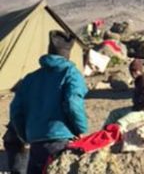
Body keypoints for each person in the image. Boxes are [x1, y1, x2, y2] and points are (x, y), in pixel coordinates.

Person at [10, 30, 89, 174]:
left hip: (35, 141)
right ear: (68, 54)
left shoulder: (30, 78)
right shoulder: (71, 73)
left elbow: (16, 110)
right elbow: (73, 102)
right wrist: (81, 129)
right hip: (61, 139)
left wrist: (25, 135)